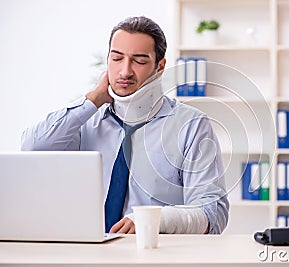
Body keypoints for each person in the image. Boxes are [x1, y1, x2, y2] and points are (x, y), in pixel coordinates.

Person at [21, 16, 229, 234]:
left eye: (139, 61)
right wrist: (92, 100)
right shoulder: (84, 122)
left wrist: (153, 220)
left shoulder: (191, 125)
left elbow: (213, 214)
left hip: (154, 254)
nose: (125, 71)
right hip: (85, 251)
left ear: (160, 66)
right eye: (117, 58)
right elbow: (31, 149)